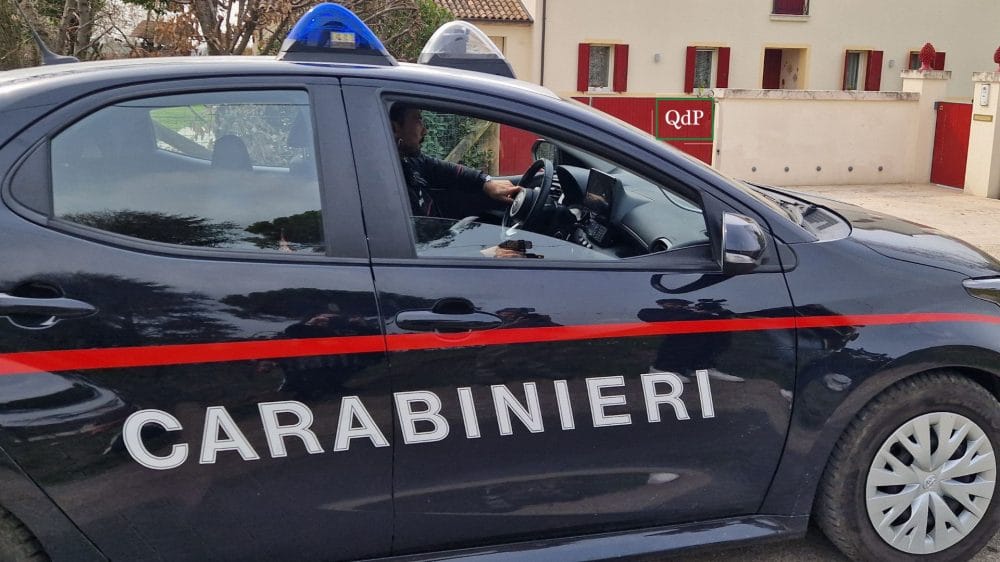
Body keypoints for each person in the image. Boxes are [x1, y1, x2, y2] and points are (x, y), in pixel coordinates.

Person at [389, 103, 519, 217]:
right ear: (395, 128)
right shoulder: (390, 186)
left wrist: (486, 182)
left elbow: (451, 171)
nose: (424, 131)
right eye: (418, 119)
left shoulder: (410, 162)